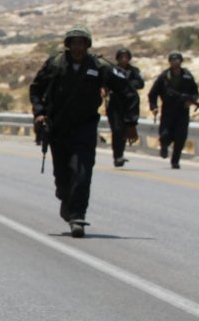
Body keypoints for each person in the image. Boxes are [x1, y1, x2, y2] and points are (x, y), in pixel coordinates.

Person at [29, 25, 139, 238]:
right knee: (62, 177)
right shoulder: (55, 64)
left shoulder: (99, 67)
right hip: (58, 128)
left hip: (85, 127)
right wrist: (39, 112)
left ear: (87, 45)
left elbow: (128, 91)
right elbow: (36, 89)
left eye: (82, 43)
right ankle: (66, 199)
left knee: (82, 172)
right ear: (68, 45)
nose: (78, 47)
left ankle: (77, 216)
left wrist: (130, 123)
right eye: (74, 43)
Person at [148, 51, 199, 169]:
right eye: (173, 60)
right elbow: (153, 93)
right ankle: (164, 146)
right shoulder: (164, 76)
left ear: (181, 61)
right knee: (165, 134)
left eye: (177, 60)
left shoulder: (187, 76)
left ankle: (175, 161)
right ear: (170, 62)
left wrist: (191, 101)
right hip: (168, 110)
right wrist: (154, 106)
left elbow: (195, 92)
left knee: (180, 137)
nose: (175, 62)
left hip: (182, 111)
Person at [107, 48, 144, 167]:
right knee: (117, 130)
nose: (124, 59)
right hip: (115, 104)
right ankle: (117, 156)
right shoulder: (111, 70)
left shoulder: (134, 71)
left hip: (129, 104)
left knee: (125, 130)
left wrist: (127, 84)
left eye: (126, 57)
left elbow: (140, 83)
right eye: (121, 57)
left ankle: (120, 154)